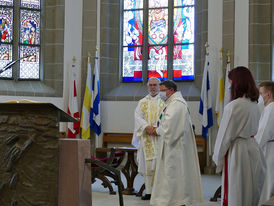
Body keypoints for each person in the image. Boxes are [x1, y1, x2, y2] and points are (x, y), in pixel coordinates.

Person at [213, 66, 266, 206]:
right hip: (253, 146)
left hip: (238, 151)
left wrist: (217, 158)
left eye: (230, 82)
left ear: (236, 83)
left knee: (237, 189)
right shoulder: (256, 103)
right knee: (252, 187)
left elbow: (224, 136)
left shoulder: (234, 106)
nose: (229, 86)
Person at [149, 80, 203, 206]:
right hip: (170, 145)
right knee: (169, 175)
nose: (160, 93)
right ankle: (171, 199)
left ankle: (176, 200)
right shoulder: (171, 103)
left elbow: (170, 127)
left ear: (171, 90)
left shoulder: (177, 104)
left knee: (173, 175)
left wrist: (156, 130)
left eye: (162, 90)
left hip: (175, 147)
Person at [132, 77, 164, 200]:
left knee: (160, 166)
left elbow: (168, 117)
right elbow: (137, 117)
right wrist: (146, 127)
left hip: (160, 137)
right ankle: (149, 192)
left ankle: (160, 192)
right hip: (147, 138)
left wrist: (157, 129)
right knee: (148, 167)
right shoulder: (142, 102)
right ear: (147, 87)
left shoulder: (164, 101)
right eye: (150, 85)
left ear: (159, 86)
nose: (152, 87)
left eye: (155, 85)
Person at [255, 81, 274, 205]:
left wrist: (254, 148)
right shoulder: (269, 108)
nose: (260, 96)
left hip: (269, 149)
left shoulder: (271, 108)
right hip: (269, 146)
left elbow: (263, 132)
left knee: (267, 181)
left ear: (269, 94)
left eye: (261, 93)